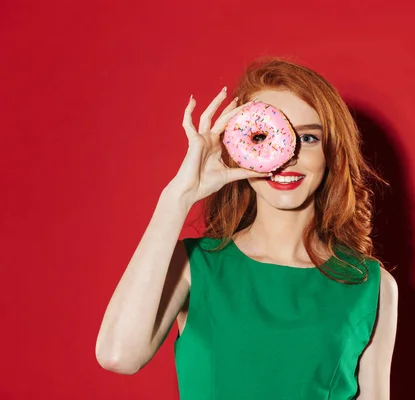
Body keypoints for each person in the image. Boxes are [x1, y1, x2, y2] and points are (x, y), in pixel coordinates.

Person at [96, 58, 398, 399]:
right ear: (236, 148)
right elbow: (117, 356)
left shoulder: (369, 284)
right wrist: (177, 197)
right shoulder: (194, 267)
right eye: (264, 136)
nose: (286, 155)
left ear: (331, 153)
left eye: (309, 137)